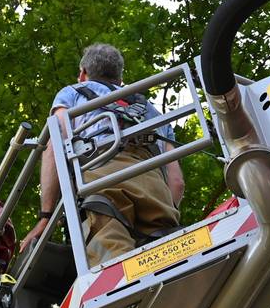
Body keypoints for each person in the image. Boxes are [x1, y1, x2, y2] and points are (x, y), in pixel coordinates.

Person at [24, 43, 185, 268]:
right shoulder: (151, 112)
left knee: (116, 270)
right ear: (119, 79)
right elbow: (176, 182)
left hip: (103, 184)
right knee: (170, 260)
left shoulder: (73, 93)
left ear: (83, 73)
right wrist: (168, 206)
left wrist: (46, 216)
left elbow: (56, 144)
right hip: (154, 186)